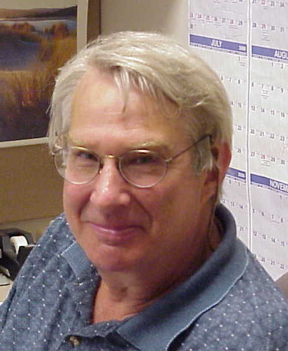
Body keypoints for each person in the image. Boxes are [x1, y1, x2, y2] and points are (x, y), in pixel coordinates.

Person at [0, 31, 287, 351]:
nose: (105, 196)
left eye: (142, 161)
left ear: (211, 170)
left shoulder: (244, 340)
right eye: (85, 156)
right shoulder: (68, 237)